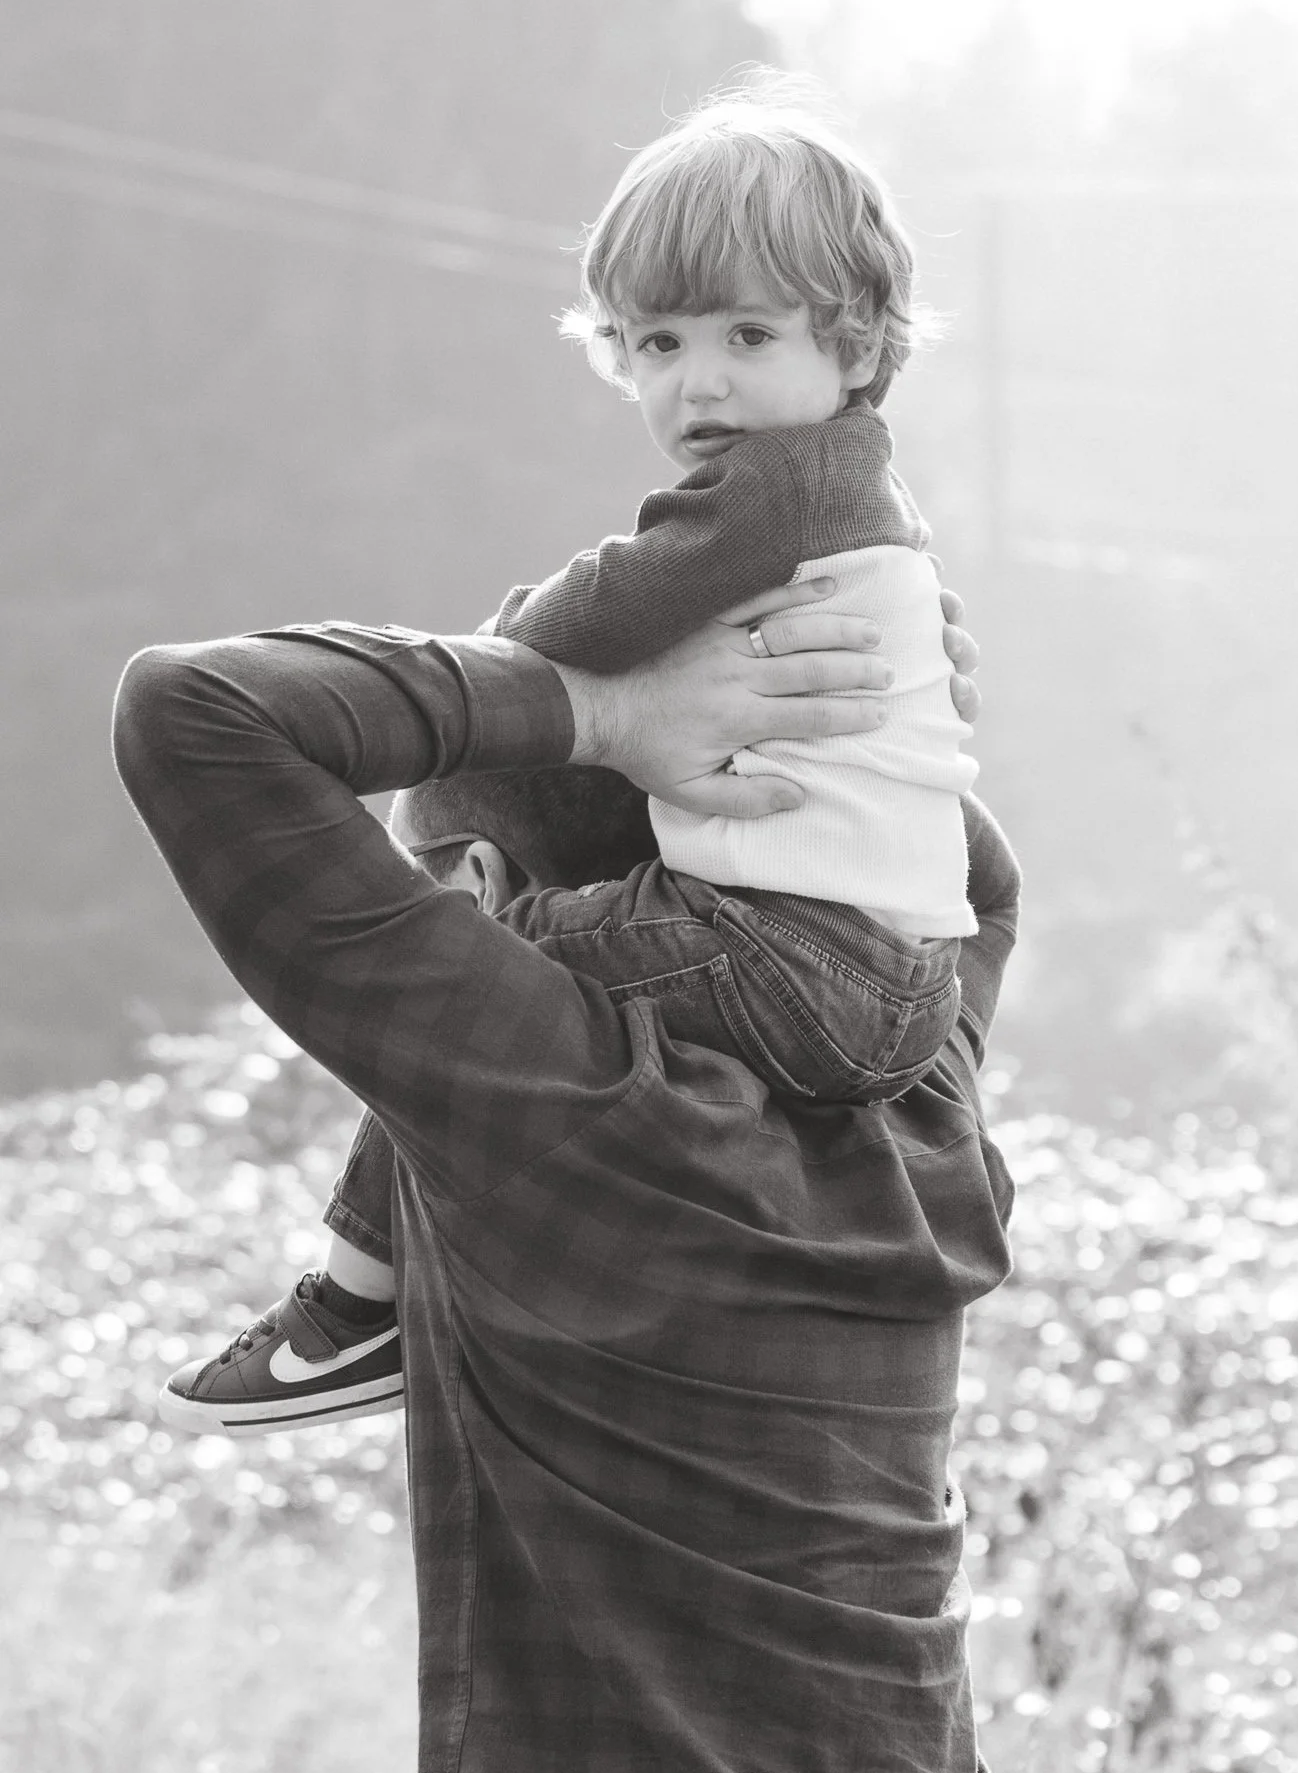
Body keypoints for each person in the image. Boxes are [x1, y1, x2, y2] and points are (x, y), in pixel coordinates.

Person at [157, 82, 987, 1435]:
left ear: (855, 345)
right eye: (657, 340)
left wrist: (493, 657)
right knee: (490, 944)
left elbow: (595, 614)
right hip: (885, 974)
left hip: (788, 952)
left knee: (463, 970)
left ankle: (355, 1301)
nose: (698, 379)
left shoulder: (779, 483)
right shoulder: (857, 501)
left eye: (748, 333)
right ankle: (379, 1283)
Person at [113, 591, 1018, 1773]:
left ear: (480, 881)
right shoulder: (924, 1096)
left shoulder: (561, 1099)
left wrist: (612, 711)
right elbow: (981, 884)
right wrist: (881, 690)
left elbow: (195, 708)